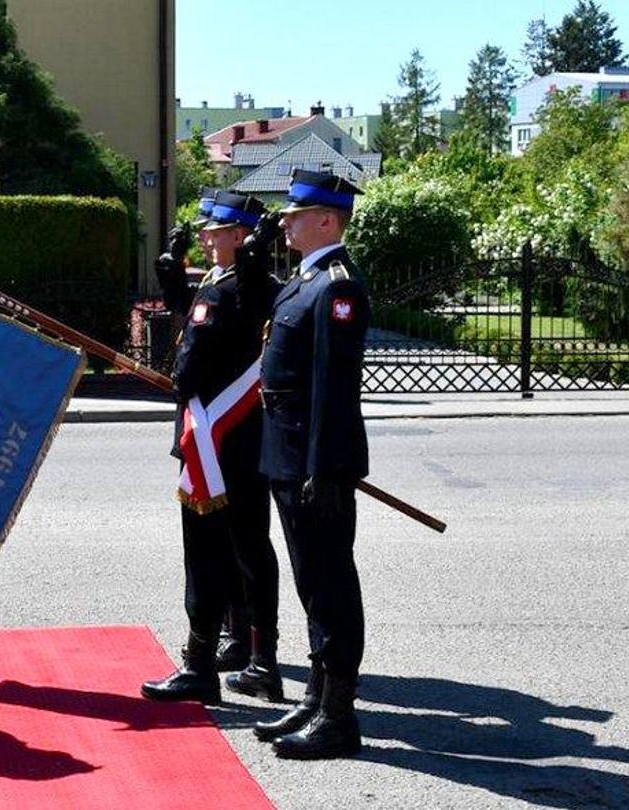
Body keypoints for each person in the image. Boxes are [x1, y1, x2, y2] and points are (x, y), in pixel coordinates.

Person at [142, 192, 282, 705]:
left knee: (215, 550)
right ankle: (252, 654)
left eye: (216, 230)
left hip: (220, 438)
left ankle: (207, 662)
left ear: (240, 237)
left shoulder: (247, 285)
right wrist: (174, 276)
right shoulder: (221, 281)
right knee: (243, 547)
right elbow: (200, 319)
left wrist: (249, 259)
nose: (204, 235)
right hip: (224, 434)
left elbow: (214, 341)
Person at [252, 169, 371, 759]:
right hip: (288, 451)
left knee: (329, 584)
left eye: (295, 214)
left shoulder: (338, 287)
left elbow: (334, 388)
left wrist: (324, 470)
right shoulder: (303, 281)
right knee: (309, 580)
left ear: (327, 219)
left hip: (313, 461)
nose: (285, 221)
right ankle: (317, 695)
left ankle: (339, 716)